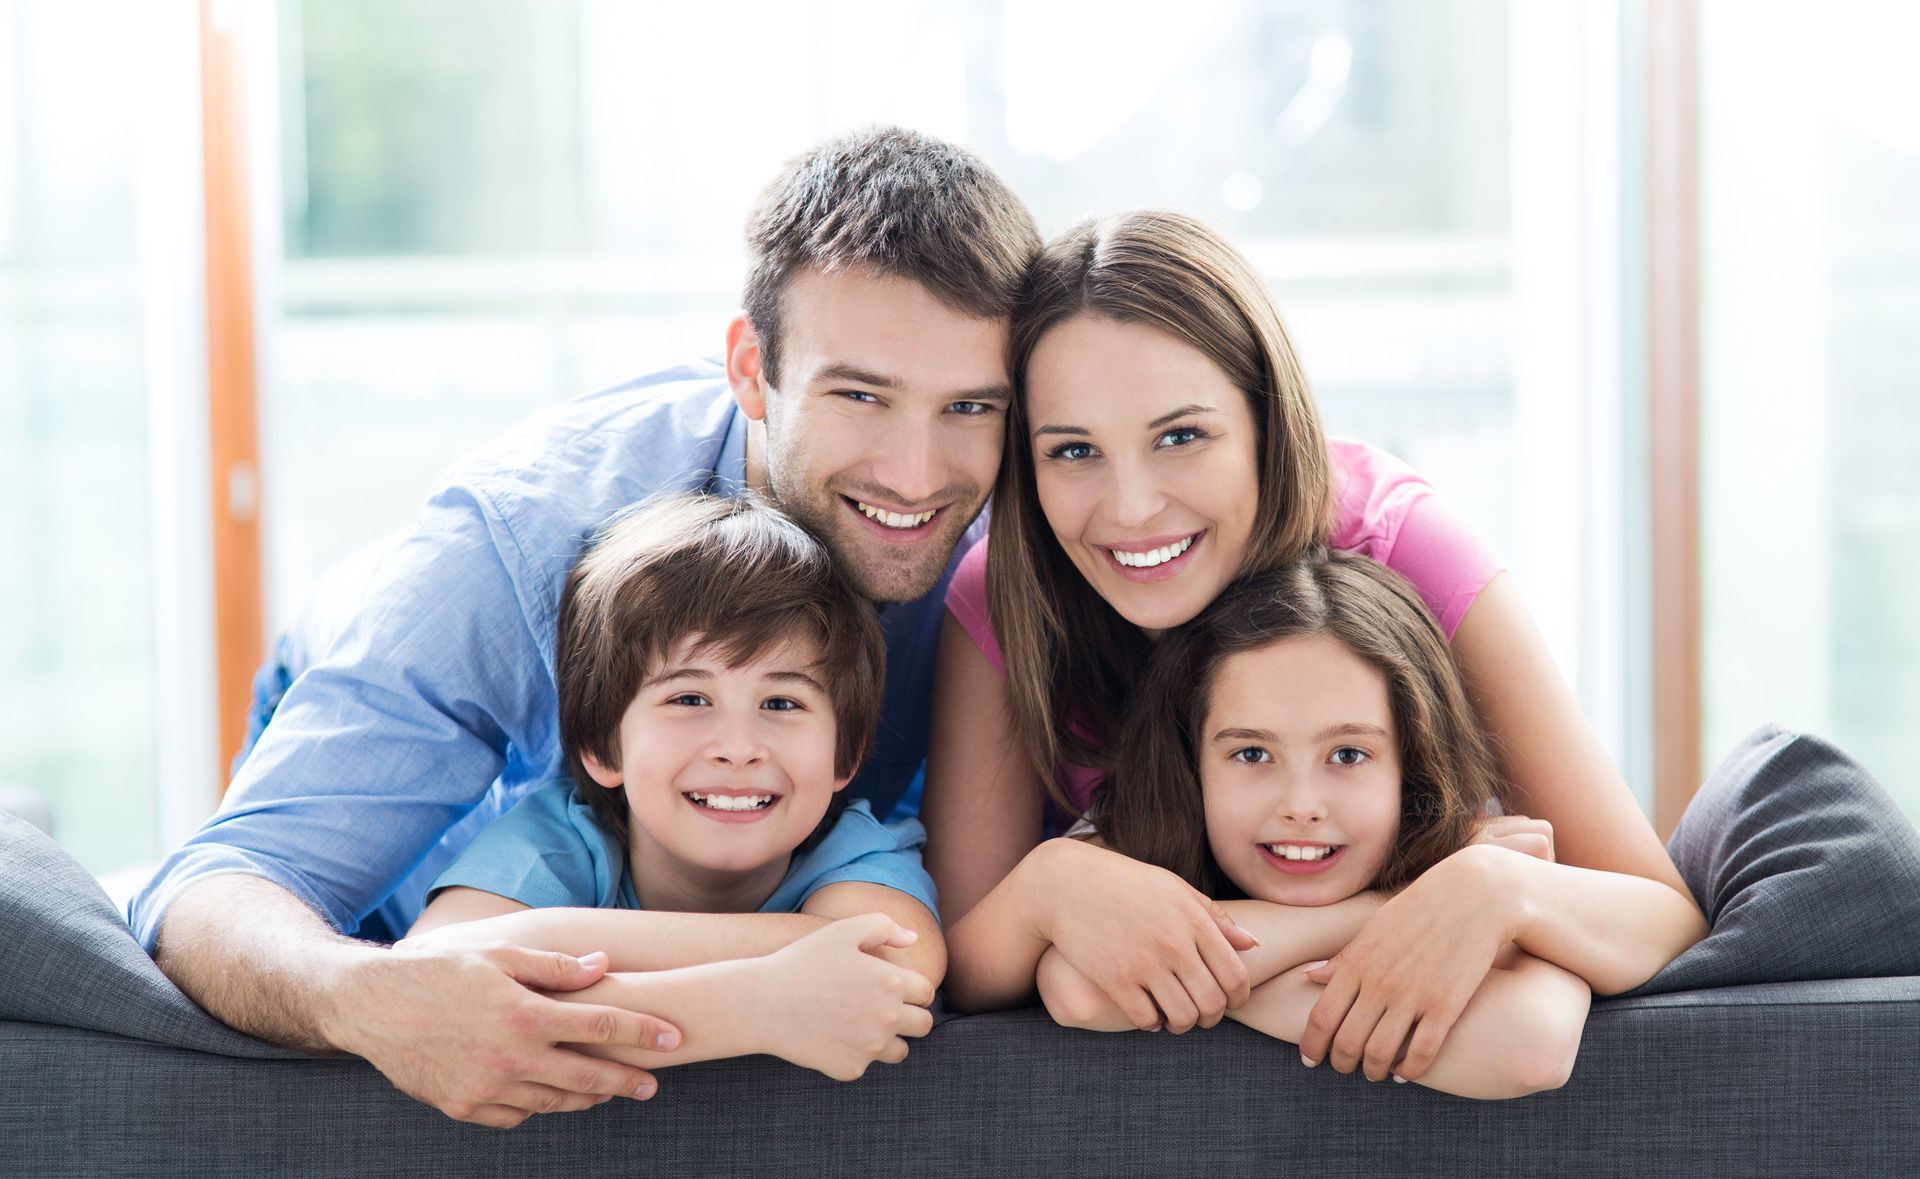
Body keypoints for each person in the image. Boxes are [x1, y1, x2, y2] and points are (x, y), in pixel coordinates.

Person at [129, 126, 1041, 1128]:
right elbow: (216, 892)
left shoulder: (1029, 511)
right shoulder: (525, 538)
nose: (917, 474)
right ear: (751, 368)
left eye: (969, 406)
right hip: (451, 812)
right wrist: (370, 996)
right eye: (860, 393)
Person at [924, 210, 1708, 1086]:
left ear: (1266, 421)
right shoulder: (1007, 594)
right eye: (1073, 451)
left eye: (1182, 436)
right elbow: (967, 971)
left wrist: (1497, 891)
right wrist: (1048, 887)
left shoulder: (1398, 542)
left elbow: (1661, 915)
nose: (1133, 506)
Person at [400, 493, 939, 1083]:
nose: (739, 746)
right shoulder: (557, 841)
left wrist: (540, 939)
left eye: (782, 702)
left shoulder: (855, 851)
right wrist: (758, 1004)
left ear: (847, 753)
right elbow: (432, 973)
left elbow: (894, 964)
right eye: (689, 699)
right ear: (605, 746)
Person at [1034, 555, 1591, 1100]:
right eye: (1252, 754)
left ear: (1411, 768)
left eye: (1347, 755)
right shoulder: (1137, 840)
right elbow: (1077, 986)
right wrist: (1395, 908)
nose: (1301, 806)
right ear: (1192, 765)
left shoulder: (1476, 862)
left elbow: (1532, 1044)